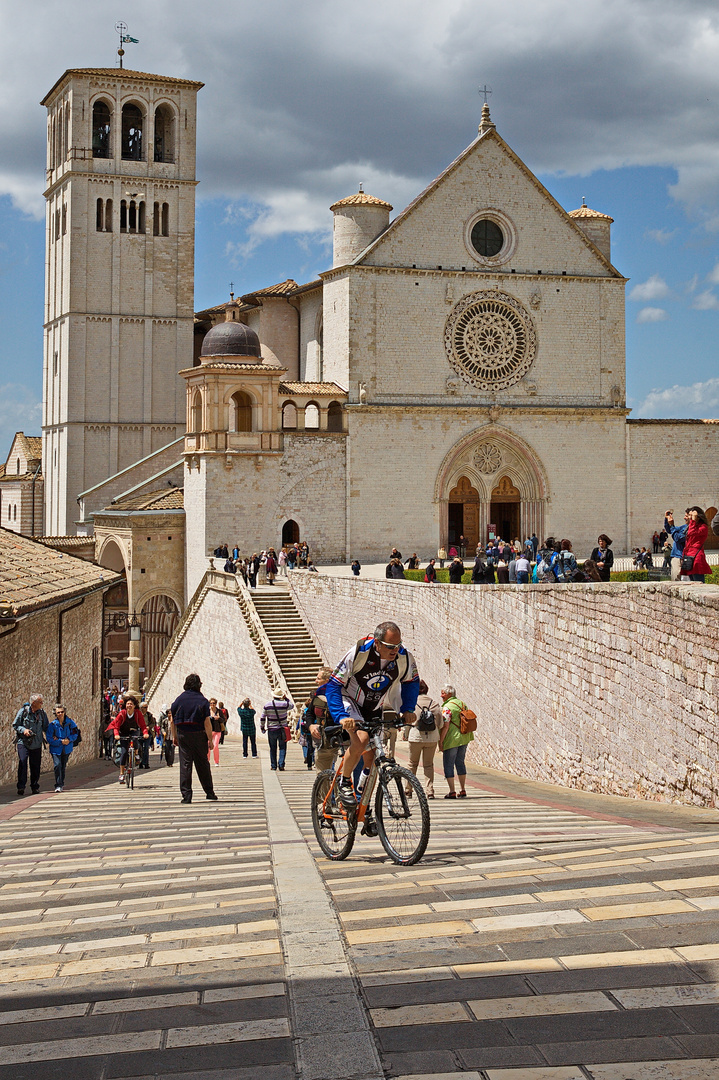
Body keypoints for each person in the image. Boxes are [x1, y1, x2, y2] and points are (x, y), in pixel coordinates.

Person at [325, 621, 419, 808]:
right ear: (377, 643)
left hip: (374, 705)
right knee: (361, 739)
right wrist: (342, 716)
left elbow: (411, 682)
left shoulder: (404, 657)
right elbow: (333, 685)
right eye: (390, 646)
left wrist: (408, 709)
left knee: (373, 756)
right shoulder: (359, 652)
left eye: (398, 645)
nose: (395, 650)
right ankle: (344, 783)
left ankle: (363, 800)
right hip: (349, 700)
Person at [170, 674, 218, 803]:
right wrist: (210, 739)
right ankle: (209, 792)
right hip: (199, 734)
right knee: (202, 764)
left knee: (185, 765)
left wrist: (174, 737)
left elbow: (172, 721)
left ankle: (186, 796)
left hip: (183, 734)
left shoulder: (179, 700)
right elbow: (207, 722)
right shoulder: (202, 700)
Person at [402, 679, 441, 798]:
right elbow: (440, 722)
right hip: (432, 737)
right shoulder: (434, 703)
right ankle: (429, 791)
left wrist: (406, 734)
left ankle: (408, 789)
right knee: (428, 764)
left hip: (416, 737)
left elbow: (408, 721)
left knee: (412, 764)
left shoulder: (413, 703)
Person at [438, 684, 474, 799]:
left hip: (452, 739)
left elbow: (446, 726)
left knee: (448, 764)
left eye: (443, 693)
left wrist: (441, 741)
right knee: (460, 762)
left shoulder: (447, 707)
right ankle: (463, 789)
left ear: (449, 694)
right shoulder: (463, 704)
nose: (441, 695)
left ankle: (452, 791)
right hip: (464, 737)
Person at [105, 694, 149, 784]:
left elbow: (143, 725)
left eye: (131, 704)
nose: (129, 705)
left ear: (134, 705)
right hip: (123, 732)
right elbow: (116, 726)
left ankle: (136, 754)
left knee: (136, 739)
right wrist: (116, 735)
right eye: (128, 704)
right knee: (124, 752)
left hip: (134, 730)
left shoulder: (137, 713)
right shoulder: (122, 714)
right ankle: (121, 773)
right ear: (125, 705)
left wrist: (145, 733)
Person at [13, 694, 49, 797]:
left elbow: (46, 727)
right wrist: (24, 730)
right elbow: (16, 725)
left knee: (35, 765)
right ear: (34, 703)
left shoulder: (42, 714)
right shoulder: (23, 712)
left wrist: (54, 737)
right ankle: (21, 787)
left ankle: (35, 786)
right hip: (23, 742)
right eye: (40, 702)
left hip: (37, 743)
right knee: (23, 762)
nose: (42, 704)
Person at [46, 704, 80, 792]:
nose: (60, 713)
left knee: (63, 766)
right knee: (57, 765)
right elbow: (49, 738)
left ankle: (61, 783)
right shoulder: (52, 725)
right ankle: (58, 784)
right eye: (58, 712)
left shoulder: (70, 723)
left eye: (62, 712)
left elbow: (75, 733)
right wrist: (60, 741)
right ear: (55, 714)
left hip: (67, 748)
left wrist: (69, 739)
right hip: (56, 749)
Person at [261, 688, 292, 771]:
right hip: (282, 729)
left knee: (272, 748)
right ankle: (281, 764)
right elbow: (291, 705)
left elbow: (262, 717)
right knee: (282, 747)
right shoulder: (285, 704)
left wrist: (262, 727)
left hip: (271, 729)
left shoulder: (267, 705)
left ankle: (273, 765)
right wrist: (286, 698)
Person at [680, 506, 712, 582]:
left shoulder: (703, 527)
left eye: (691, 515)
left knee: (698, 582)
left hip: (696, 559)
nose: (689, 518)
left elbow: (691, 533)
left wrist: (693, 521)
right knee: (691, 583)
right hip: (689, 557)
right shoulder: (692, 526)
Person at [664, 510, 689, 581]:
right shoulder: (684, 527)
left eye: (686, 516)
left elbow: (677, 538)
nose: (684, 518)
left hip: (681, 556)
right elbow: (670, 530)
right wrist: (667, 519)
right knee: (675, 580)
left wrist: (672, 525)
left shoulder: (691, 529)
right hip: (677, 556)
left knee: (681, 581)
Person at [207, 697, 223, 766]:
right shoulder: (207, 711)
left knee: (216, 745)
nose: (212, 704)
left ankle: (216, 761)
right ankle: (207, 761)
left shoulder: (219, 711)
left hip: (217, 730)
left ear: (216, 704)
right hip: (209, 731)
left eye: (213, 703)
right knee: (208, 746)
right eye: (211, 703)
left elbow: (223, 720)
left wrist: (219, 718)